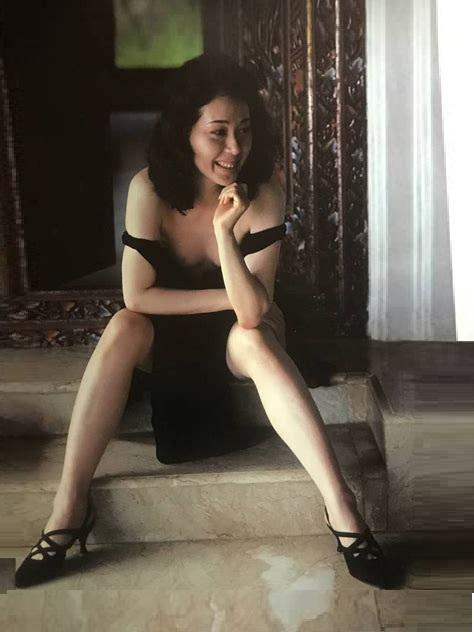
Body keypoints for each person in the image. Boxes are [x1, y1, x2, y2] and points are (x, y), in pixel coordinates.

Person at [15, 53, 387, 589]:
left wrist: (223, 234)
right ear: (183, 132)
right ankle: (69, 509)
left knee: (254, 337)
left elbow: (254, 313)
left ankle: (343, 509)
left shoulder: (264, 191)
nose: (235, 148)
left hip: (238, 333)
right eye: (218, 132)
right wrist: (232, 297)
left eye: (244, 130)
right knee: (124, 325)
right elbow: (137, 296)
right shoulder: (148, 188)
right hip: (169, 325)